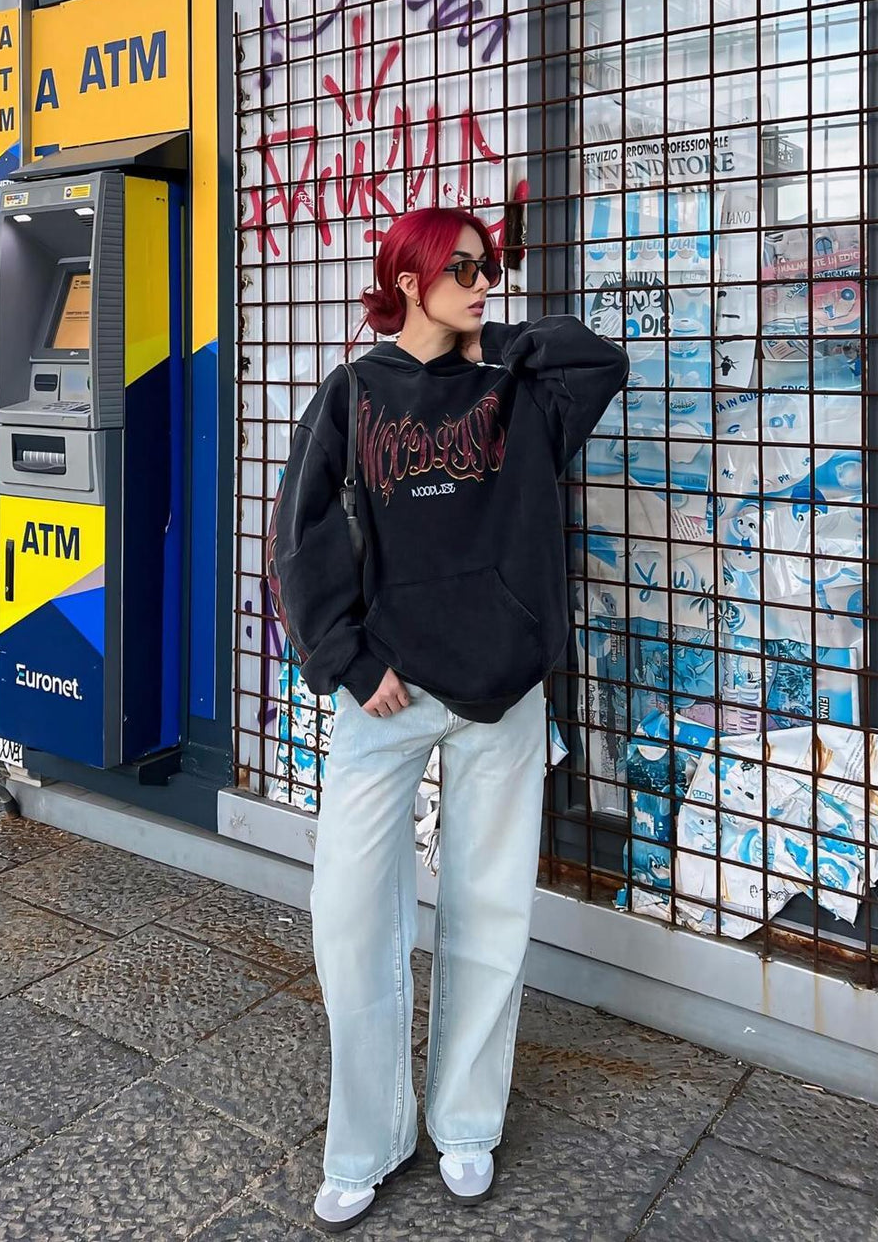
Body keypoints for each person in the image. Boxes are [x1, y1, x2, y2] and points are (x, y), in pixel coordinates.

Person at [267, 206, 628, 1234]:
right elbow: (303, 529)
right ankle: (367, 1139)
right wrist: (343, 655)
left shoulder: (521, 391)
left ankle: (464, 1123)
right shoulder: (354, 391)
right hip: (386, 692)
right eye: (462, 270)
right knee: (348, 910)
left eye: (489, 268)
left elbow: (598, 359)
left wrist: (487, 341)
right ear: (408, 274)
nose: (483, 283)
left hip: (500, 688)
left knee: (489, 910)